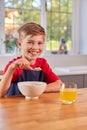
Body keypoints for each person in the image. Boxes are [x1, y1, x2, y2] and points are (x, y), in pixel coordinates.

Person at [0, 22, 62, 97]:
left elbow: (59, 85)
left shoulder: (42, 64)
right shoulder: (13, 66)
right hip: (15, 106)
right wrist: (11, 68)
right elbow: (1, 93)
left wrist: (36, 90)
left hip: (35, 105)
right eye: (30, 42)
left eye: (39, 43)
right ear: (20, 44)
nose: (35, 47)